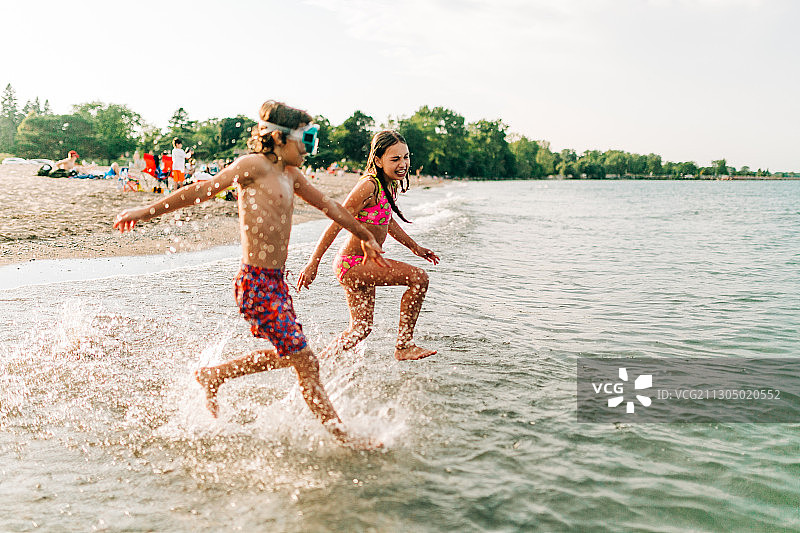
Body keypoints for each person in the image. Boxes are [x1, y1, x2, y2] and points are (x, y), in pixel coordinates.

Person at [113, 100, 388, 448]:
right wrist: (145, 211)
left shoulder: (291, 175)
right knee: (306, 360)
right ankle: (343, 437)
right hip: (255, 282)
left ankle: (214, 375)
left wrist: (363, 234)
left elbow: (330, 206)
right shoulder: (253, 166)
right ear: (278, 138)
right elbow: (201, 190)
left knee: (293, 354)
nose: (309, 149)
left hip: (276, 283)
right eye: (307, 139)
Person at [297, 130, 439, 361]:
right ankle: (404, 345)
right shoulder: (369, 185)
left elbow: (387, 220)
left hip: (362, 265)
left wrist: (415, 247)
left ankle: (317, 364)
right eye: (395, 159)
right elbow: (336, 222)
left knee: (361, 329)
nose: (403, 164)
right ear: (378, 160)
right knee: (418, 278)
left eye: (406, 157)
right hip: (351, 265)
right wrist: (313, 262)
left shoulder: (388, 184)